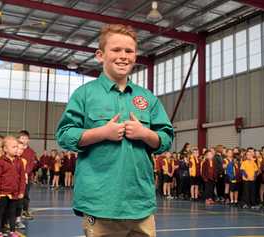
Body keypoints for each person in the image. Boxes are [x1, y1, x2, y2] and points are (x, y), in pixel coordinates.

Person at [56, 24, 173, 237]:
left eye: (129, 51)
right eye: (116, 50)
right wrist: (102, 133)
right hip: (99, 203)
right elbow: (64, 135)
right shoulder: (84, 95)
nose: (123, 56)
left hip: (140, 203)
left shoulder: (147, 98)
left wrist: (145, 133)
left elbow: (166, 138)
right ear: (100, 55)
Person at [0, 136, 26, 237]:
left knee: (12, 213)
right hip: (3, 193)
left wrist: (21, 191)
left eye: (17, 147)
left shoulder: (19, 162)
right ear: (5, 149)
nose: (16, 149)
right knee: (0, 212)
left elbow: (22, 178)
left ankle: (12, 230)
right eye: (14, 147)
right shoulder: (1, 161)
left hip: (14, 193)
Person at [17, 130, 36, 220]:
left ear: (28, 140)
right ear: (18, 139)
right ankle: (15, 213)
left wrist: (25, 173)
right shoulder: (16, 150)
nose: (24, 140)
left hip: (26, 177)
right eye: (22, 138)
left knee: (25, 195)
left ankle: (25, 211)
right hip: (15, 177)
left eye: (25, 138)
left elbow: (31, 164)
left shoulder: (31, 152)